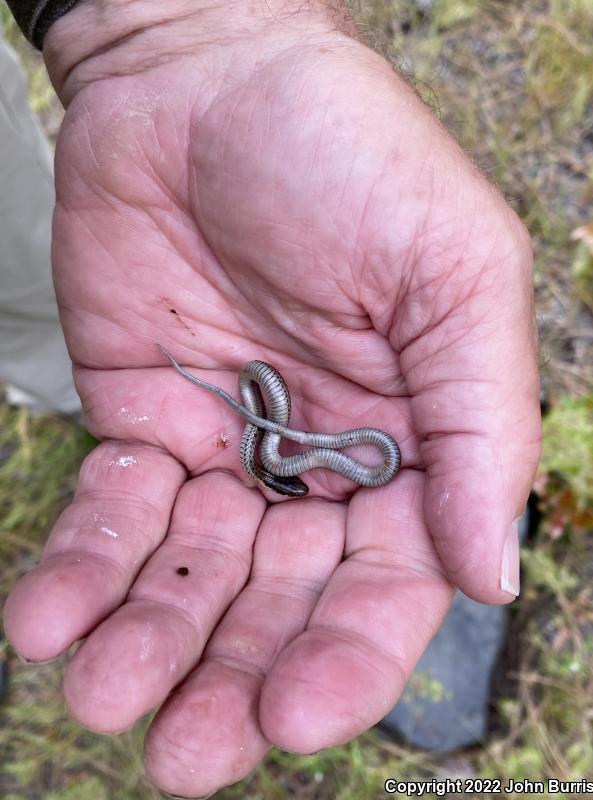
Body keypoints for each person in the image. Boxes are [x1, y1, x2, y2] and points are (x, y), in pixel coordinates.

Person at [2, 1, 542, 797]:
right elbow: (294, 446)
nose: (287, 472)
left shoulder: (297, 445)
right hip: (239, 388)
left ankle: (64, 377)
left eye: (281, 472)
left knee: (38, 279)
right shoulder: (287, 441)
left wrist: (168, 28)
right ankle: (64, 379)